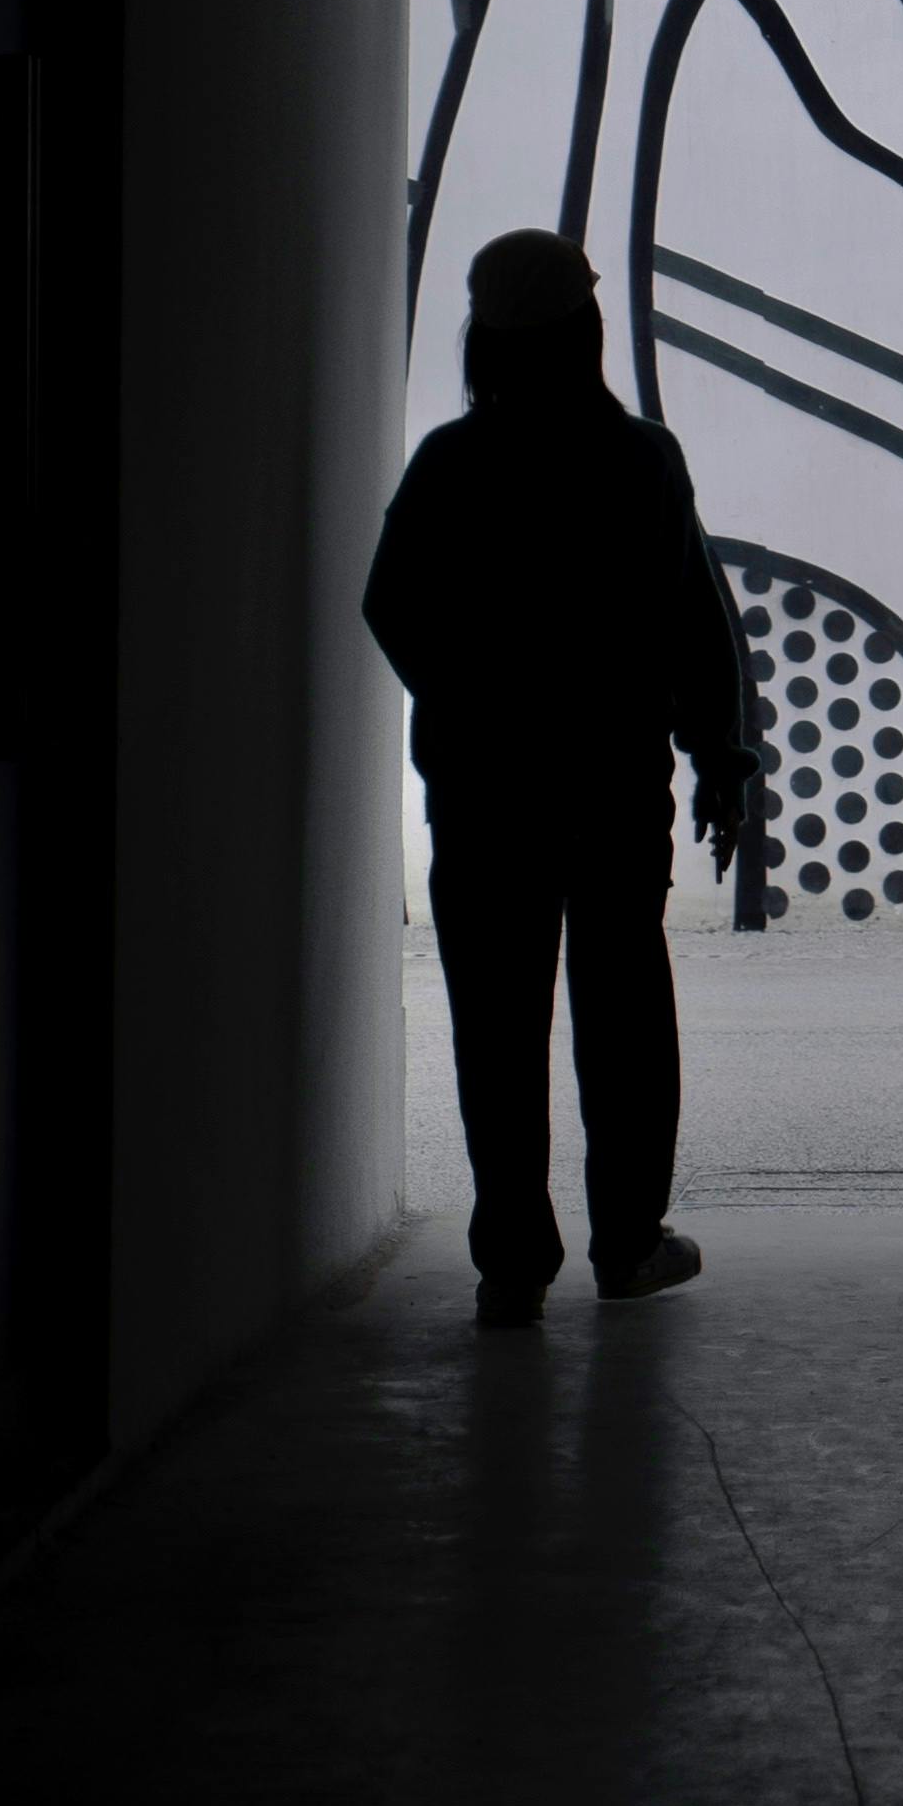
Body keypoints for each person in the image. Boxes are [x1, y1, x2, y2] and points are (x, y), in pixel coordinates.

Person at [363, 229, 757, 1325]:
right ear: (586, 331)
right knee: (623, 1007)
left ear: (484, 339)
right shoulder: (641, 459)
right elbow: (695, 625)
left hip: (485, 792)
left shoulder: (452, 462)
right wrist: (718, 753)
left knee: (496, 1020)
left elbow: (389, 604)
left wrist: (465, 701)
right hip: (613, 782)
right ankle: (627, 1240)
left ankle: (512, 1264)